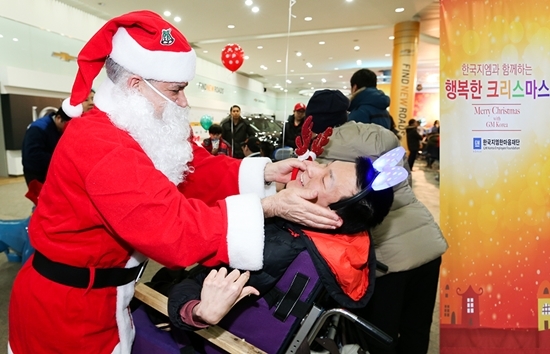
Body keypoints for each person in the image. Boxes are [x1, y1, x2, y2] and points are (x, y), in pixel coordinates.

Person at [8, 11, 342, 354]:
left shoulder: (135, 129)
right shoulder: (100, 145)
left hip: (103, 298)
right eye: (176, 90)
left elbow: (194, 169)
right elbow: (171, 228)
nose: (184, 101)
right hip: (67, 313)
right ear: (135, 84)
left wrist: (267, 172)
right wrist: (268, 207)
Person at [165, 158, 395, 332]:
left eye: (325, 179)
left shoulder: (275, 248)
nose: (310, 167)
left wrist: (194, 311)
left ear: (332, 215)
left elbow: (194, 289)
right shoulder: (331, 237)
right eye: (324, 164)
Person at [307, 89, 447, 354]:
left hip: (385, 258)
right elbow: (402, 181)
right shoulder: (380, 135)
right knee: (416, 329)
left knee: (379, 336)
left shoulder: (321, 155)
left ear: (312, 122)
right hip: (426, 242)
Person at [21, 105, 71, 186]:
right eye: (67, 125)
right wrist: (60, 160)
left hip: (52, 172)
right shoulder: (38, 128)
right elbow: (33, 155)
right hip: (38, 174)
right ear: (59, 118)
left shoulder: (58, 128)